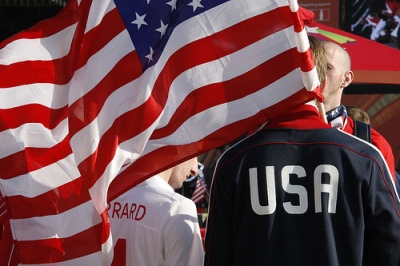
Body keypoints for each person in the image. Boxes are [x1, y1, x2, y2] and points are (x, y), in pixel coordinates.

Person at [203, 36, 400, 265]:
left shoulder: (235, 160)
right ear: (318, 79)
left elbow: (218, 254)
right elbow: (390, 247)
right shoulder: (364, 157)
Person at [321, 40, 396, 180]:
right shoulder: (279, 131)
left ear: (346, 78)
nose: (316, 73)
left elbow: (383, 201)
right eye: (312, 66)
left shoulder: (372, 144)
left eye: (327, 67)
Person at [108, 157, 204, 266]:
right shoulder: (177, 207)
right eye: (192, 155)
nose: (195, 170)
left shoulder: (102, 197)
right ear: (177, 148)